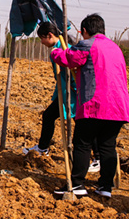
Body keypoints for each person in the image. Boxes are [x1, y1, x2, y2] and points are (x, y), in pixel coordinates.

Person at [52, 14, 129, 198]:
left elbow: (69, 59)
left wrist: (55, 52)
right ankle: (105, 188)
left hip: (95, 104)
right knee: (107, 147)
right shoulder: (116, 48)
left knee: (82, 144)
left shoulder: (88, 45)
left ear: (84, 31)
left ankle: (77, 184)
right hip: (118, 107)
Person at [23, 22, 101, 172]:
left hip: (73, 94)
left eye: (42, 38)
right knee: (51, 116)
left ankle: (98, 157)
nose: (42, 42)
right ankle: (43, 147)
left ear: (50, 36)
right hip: (65, 93)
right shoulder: (60, 48)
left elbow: (73, 75)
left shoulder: (64, 51)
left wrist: (79, 91)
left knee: (84, 124)